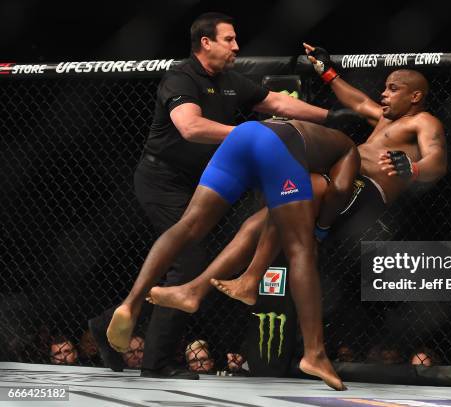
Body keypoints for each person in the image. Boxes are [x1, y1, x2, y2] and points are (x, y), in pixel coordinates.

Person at [88, 12, 342, 380]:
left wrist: (333, 116)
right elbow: (190, 127)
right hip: (163, 180)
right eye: (229, 39)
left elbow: (279, 104)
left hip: (206, 182)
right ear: (205, 42)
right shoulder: (181, 77)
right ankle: (156, 362)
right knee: (188, 260)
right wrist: (251, 136)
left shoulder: (229, 80)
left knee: (204, 256)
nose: (237, 47)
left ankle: (109, 322)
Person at [146, 43, 446, 308]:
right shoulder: (384, 116)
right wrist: (328, 72)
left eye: (393, 89)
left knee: (278, 209)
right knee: (261, 220)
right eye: (385, 87)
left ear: (416, 96)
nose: (383, 93)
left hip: (365, 189)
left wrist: (415, 168)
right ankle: (215, 287)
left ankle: (219, 286)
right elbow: (356, 101)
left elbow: (437, 160)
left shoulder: (423, 121)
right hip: (340, 179)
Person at [106, 119, 358, 390]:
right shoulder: (348, 150)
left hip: (244, 134)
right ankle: (315, 353)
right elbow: (341, 189)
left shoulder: (318, 138)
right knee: (301, 249)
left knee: (189, 224)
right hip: (276, 145)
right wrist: (321, 228)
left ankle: (131, 303)